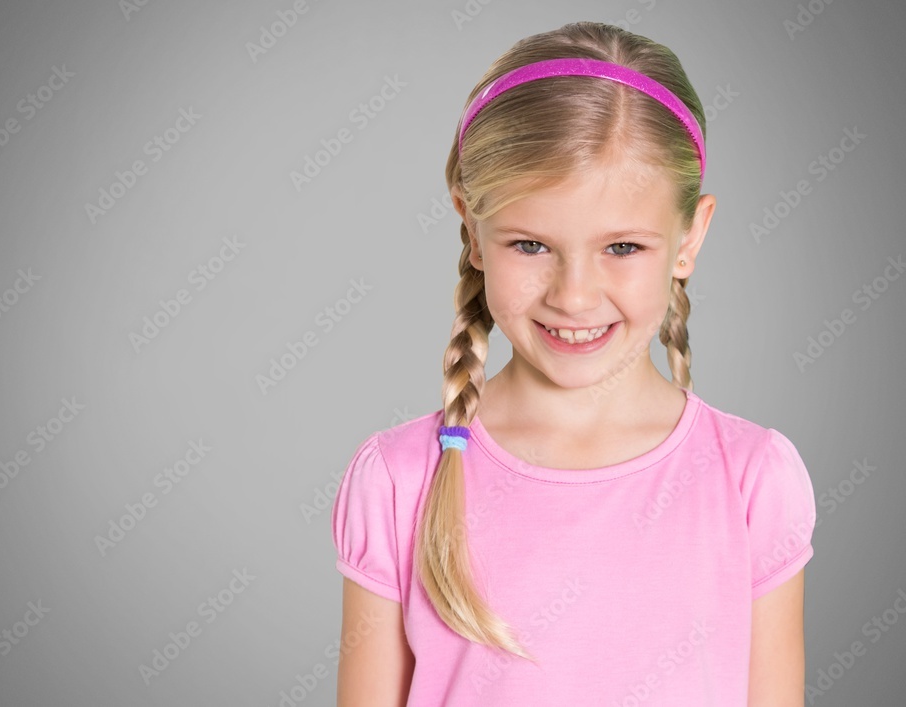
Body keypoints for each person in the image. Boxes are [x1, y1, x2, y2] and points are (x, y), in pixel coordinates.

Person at [330, 21, 816, 706]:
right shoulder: (398, 481)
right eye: (530, 244)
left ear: (690, 237)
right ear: (472, 229)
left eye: (622, 248)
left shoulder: (753, 480)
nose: (574, 295)